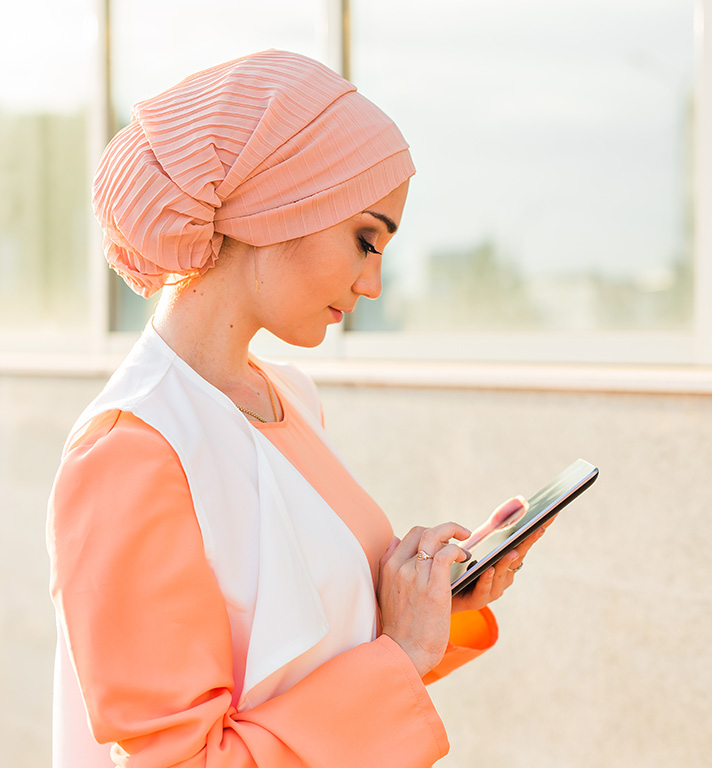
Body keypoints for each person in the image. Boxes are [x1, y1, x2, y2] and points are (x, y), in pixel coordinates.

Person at [47, 50, 548, 768]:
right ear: (280, 203)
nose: (372, 284)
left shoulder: (288, 399)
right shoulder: (130, 451)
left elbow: (298, 668)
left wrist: (427, 601)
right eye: (365, 239)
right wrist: (399, 656)